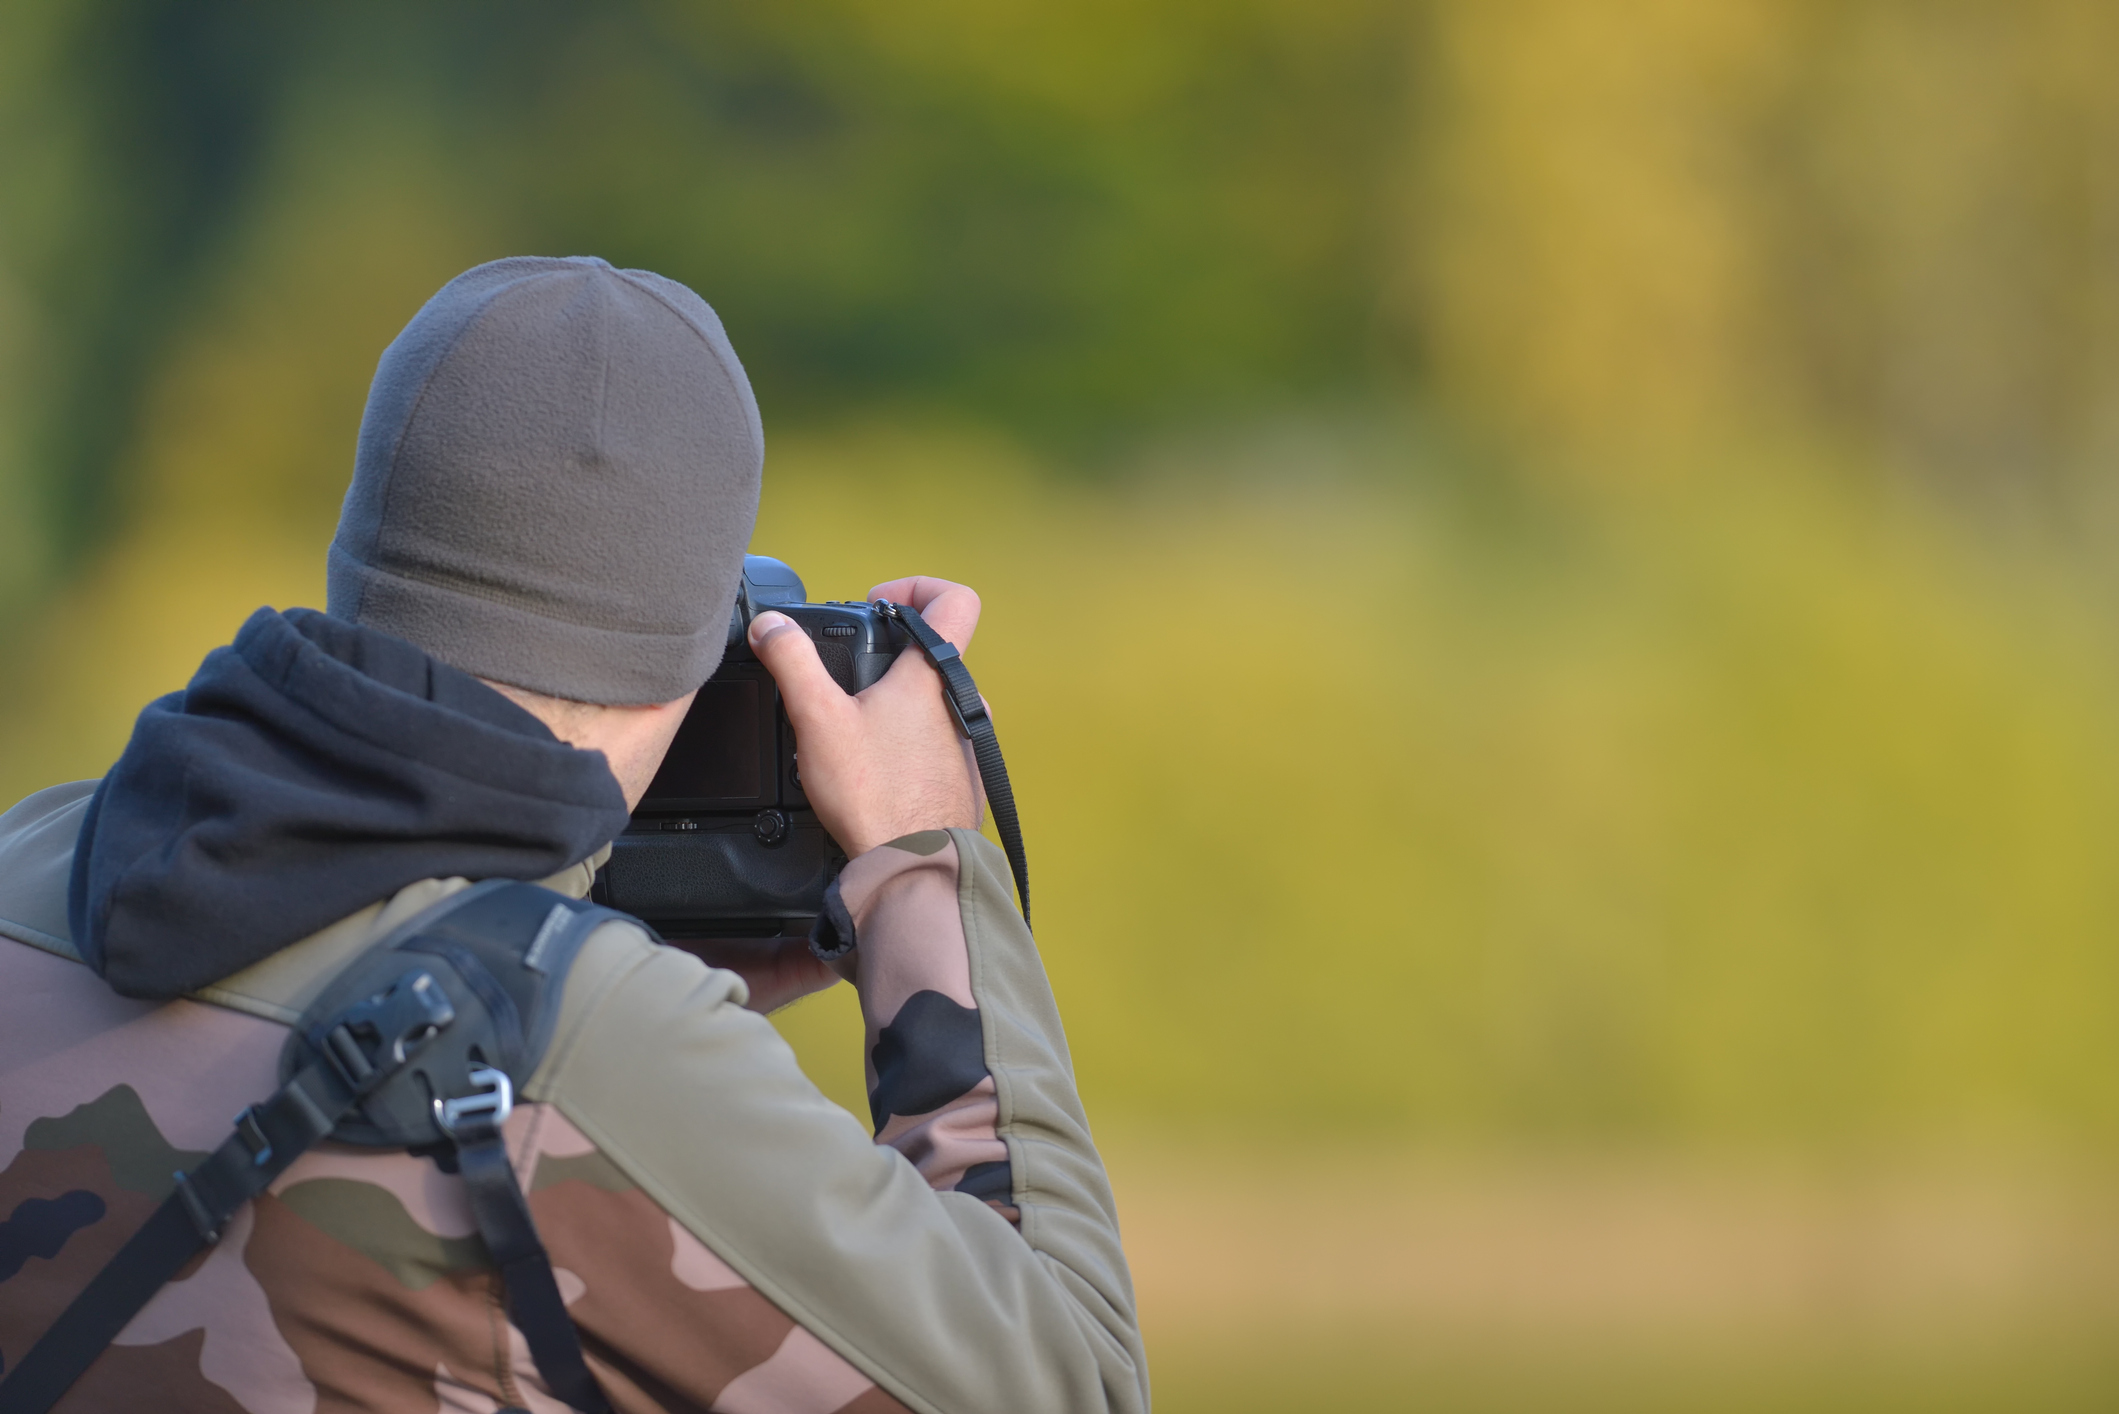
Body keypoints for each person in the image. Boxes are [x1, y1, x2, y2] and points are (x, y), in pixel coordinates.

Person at [0, 257, 1146, 1413]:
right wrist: (923, 874)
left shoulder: (29, 866)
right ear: (716, 640)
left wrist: (594, 958)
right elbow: (1070, 1381)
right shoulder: (581, 1048)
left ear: (365, 558)